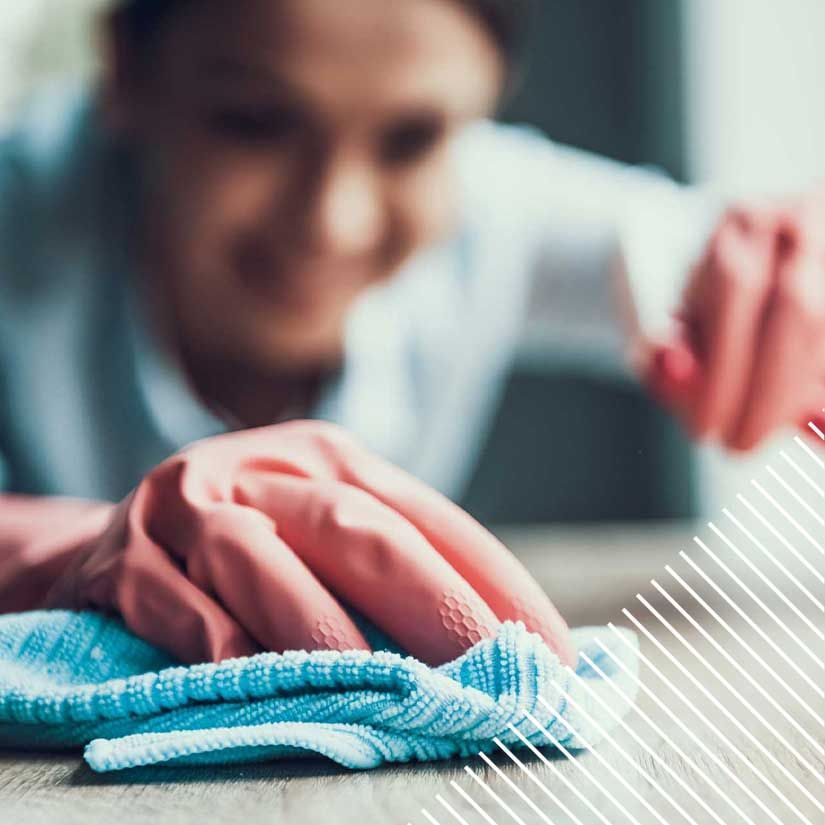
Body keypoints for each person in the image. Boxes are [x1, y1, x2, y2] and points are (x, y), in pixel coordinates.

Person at [0, 0, 822, 668]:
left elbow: (713, 256)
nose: (334, 221)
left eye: (414, 139)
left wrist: (789, 274)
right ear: (127, 72)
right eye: (253, 121)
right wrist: (67, 552)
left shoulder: (493, 205)